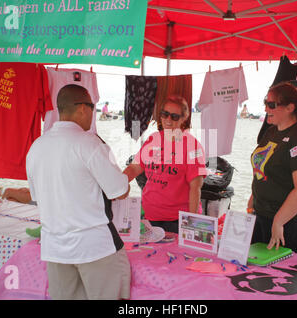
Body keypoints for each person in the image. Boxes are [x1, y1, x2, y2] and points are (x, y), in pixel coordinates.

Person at [26, 84, 131, 300]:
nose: (93, 113)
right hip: (93, 247)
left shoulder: (36, 147)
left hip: (54, 247)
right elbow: (120, 191)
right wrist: (132, 171)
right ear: (83, 108)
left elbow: (37, 197)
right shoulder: (88, 143)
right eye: (93, 107)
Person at [248, 82, 297, 254]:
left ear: (290, 107)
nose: (266, 109)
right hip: (264, 214)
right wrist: (253, 198)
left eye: (271, 105)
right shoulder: (272, 132)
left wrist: (279, 221)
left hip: (291, 221)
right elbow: (263, 168)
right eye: (265, 103)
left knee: (284, 275)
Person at [123, 95, 207, 233]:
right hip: (150, 216)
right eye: (165, 114)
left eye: (174, 116)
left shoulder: (192, 146)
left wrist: (192, 225)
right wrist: (114, 187)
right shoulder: (153, 140)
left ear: (183, 118)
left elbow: (195, 188)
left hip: (178, 220)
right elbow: (134, 168)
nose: (168, 119)